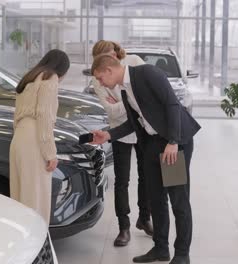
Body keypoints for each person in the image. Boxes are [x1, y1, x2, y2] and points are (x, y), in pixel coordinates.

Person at [90, 55, 200, 264]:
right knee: (156, 199)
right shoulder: (124, 89)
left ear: (109, 70)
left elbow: (172, 105)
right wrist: (109, 134)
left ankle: (182, 254)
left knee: (178, 200)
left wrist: (173, 142)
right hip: (152, 144)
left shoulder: (147, 73)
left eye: (100, 78)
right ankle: (160, 249)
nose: (101, 83)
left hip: (173, 144)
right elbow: (135, 122)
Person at [91, 40, 153, 247]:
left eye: (111, 55)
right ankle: (123, 227)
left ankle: (144, 218)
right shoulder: (97, 79)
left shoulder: (134, 62)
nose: (109, 61)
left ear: (116, 53)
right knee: (122, 180)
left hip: (143, 128)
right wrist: (133, 103)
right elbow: (111, 111)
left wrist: (123, 104)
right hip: (120, 132)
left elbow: (145, 98)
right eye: (102, 59)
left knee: (146, 176)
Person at [9, 49, 70, 225]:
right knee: (35, 197)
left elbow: (17, 115)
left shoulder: (29, 78)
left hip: (19, 137)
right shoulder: (50, 79)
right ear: (62, 69)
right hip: (34, 139)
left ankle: (21, 241)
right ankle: (36, 245)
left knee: (20, 194)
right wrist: (50, 153)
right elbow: (44, 117)